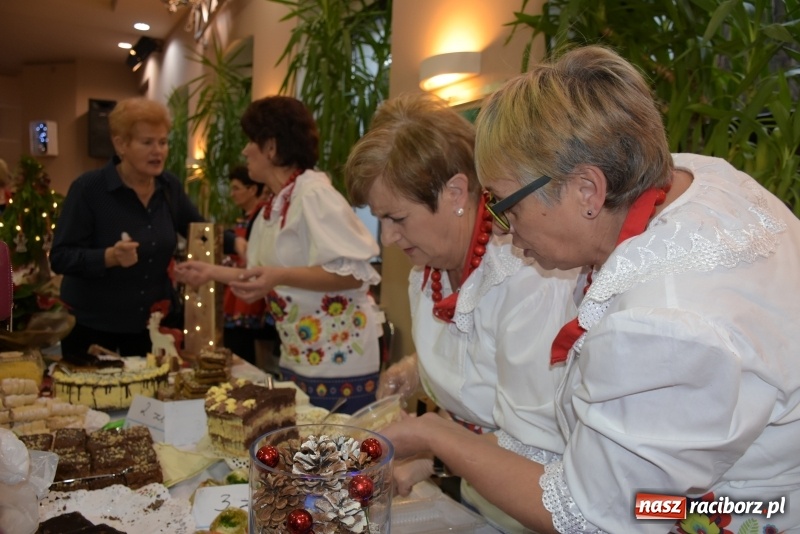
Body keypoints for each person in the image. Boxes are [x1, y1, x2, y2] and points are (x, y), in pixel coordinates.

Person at [380, 46, 800, 534]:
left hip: (743, 511)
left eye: (506, 206)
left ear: (587, 191)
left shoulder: (662, 324)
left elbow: (593, 513)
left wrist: (435, 435)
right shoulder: (698, 179)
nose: (502, 231)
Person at [345, 92, 579, 533]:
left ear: (455, 192)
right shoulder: (427, 274)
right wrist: (415, 369)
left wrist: (429, 446)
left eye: (397, 218)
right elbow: (476, 361)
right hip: (479, 501)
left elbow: (536, 440)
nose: (389, 238)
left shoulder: (527, 278)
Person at [175, 95, 383, 413]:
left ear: (271, 147)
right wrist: (209, 272)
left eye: (251, 142)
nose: (245, 151)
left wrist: (279, 276)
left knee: (336, 457)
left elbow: (354, 275)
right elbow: (265, 273)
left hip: (339, 360)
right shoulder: (278, 202)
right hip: (299, 353)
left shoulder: (313, 195)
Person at [51, 97, 204, 357]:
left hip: (150, 328)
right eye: (147, 143)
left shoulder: (169, 187)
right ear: (121, 144)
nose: (159, 151)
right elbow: (60, 257)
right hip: (92, 329)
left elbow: (199, 230)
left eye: (163, 142)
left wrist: (240, 243)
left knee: (151, 397)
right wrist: (108, 257)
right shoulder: (88, 189)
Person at [221, 165, 280, 368]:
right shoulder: (247, 217)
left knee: (248, 356)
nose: (232, 193)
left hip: (252, 297)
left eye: (237, 188)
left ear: (252, 189)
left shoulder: (262, 215)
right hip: (240, 289)